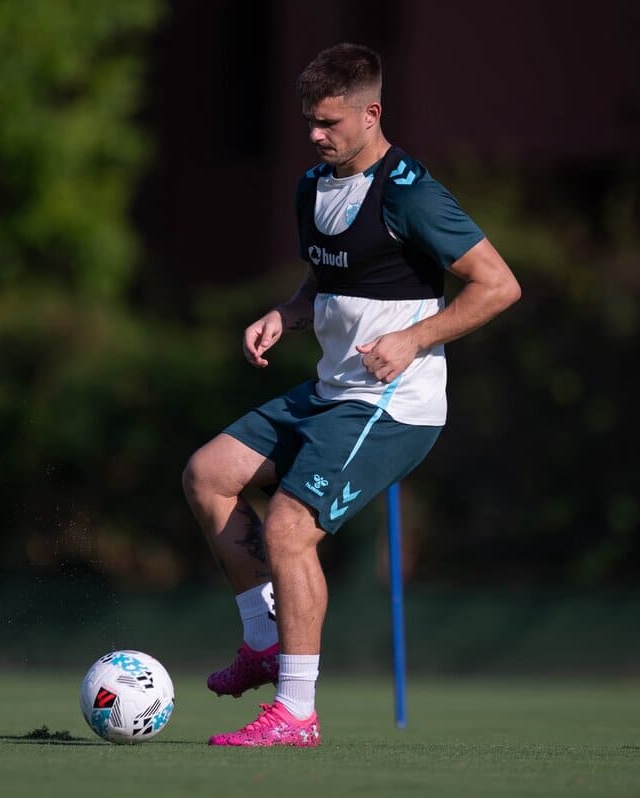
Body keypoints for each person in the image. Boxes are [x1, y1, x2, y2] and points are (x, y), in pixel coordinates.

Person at [182, 42, 521, 748]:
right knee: (207, 475)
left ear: (372, 114)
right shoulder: (312, 186)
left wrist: (417, 338)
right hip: (328, 390)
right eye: (309, 121)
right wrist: (287, 313)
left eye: (330, 123)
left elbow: (499, 285)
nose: (315, 134)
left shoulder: (410, 192)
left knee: (287, 529)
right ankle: (263, 644)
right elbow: (324, 281)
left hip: (392, 404)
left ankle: (296, 714)